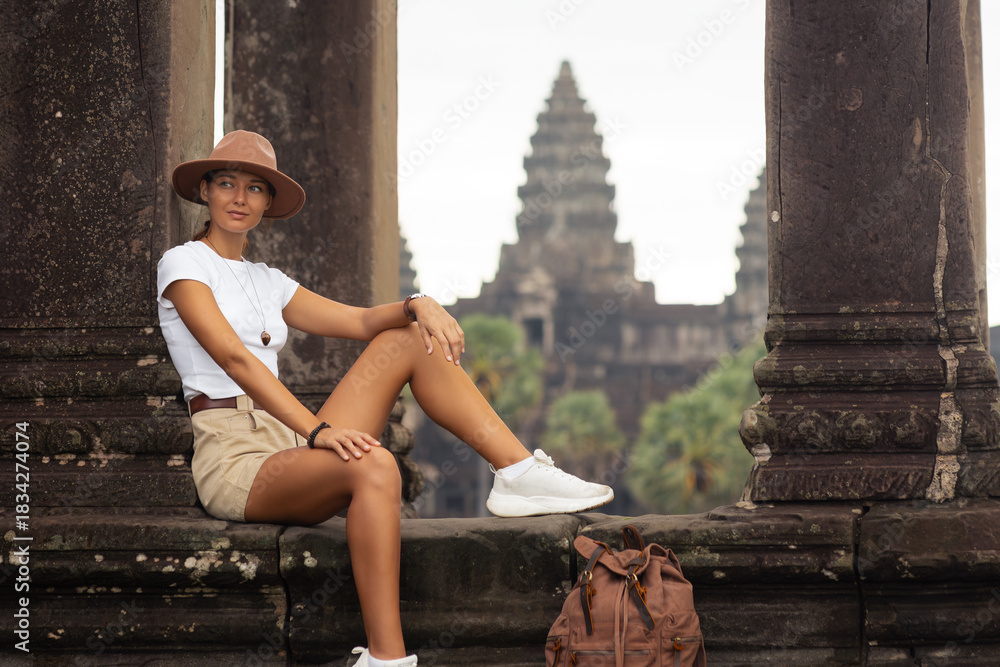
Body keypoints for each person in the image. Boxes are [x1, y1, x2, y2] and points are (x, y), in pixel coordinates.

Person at [156, 130, 614, 666]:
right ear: (205, 190)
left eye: (255, 188)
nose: (240, 198)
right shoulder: (183, 264)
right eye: (227, 184)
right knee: (375, 464)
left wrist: (419, 303)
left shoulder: (266, 280)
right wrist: (318, 431)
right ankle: (387, 660)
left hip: (287, 443)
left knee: (408, 338)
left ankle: (516, 473)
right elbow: (235, 359)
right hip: (237, 458)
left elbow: (359, 321)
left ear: (267, 202)